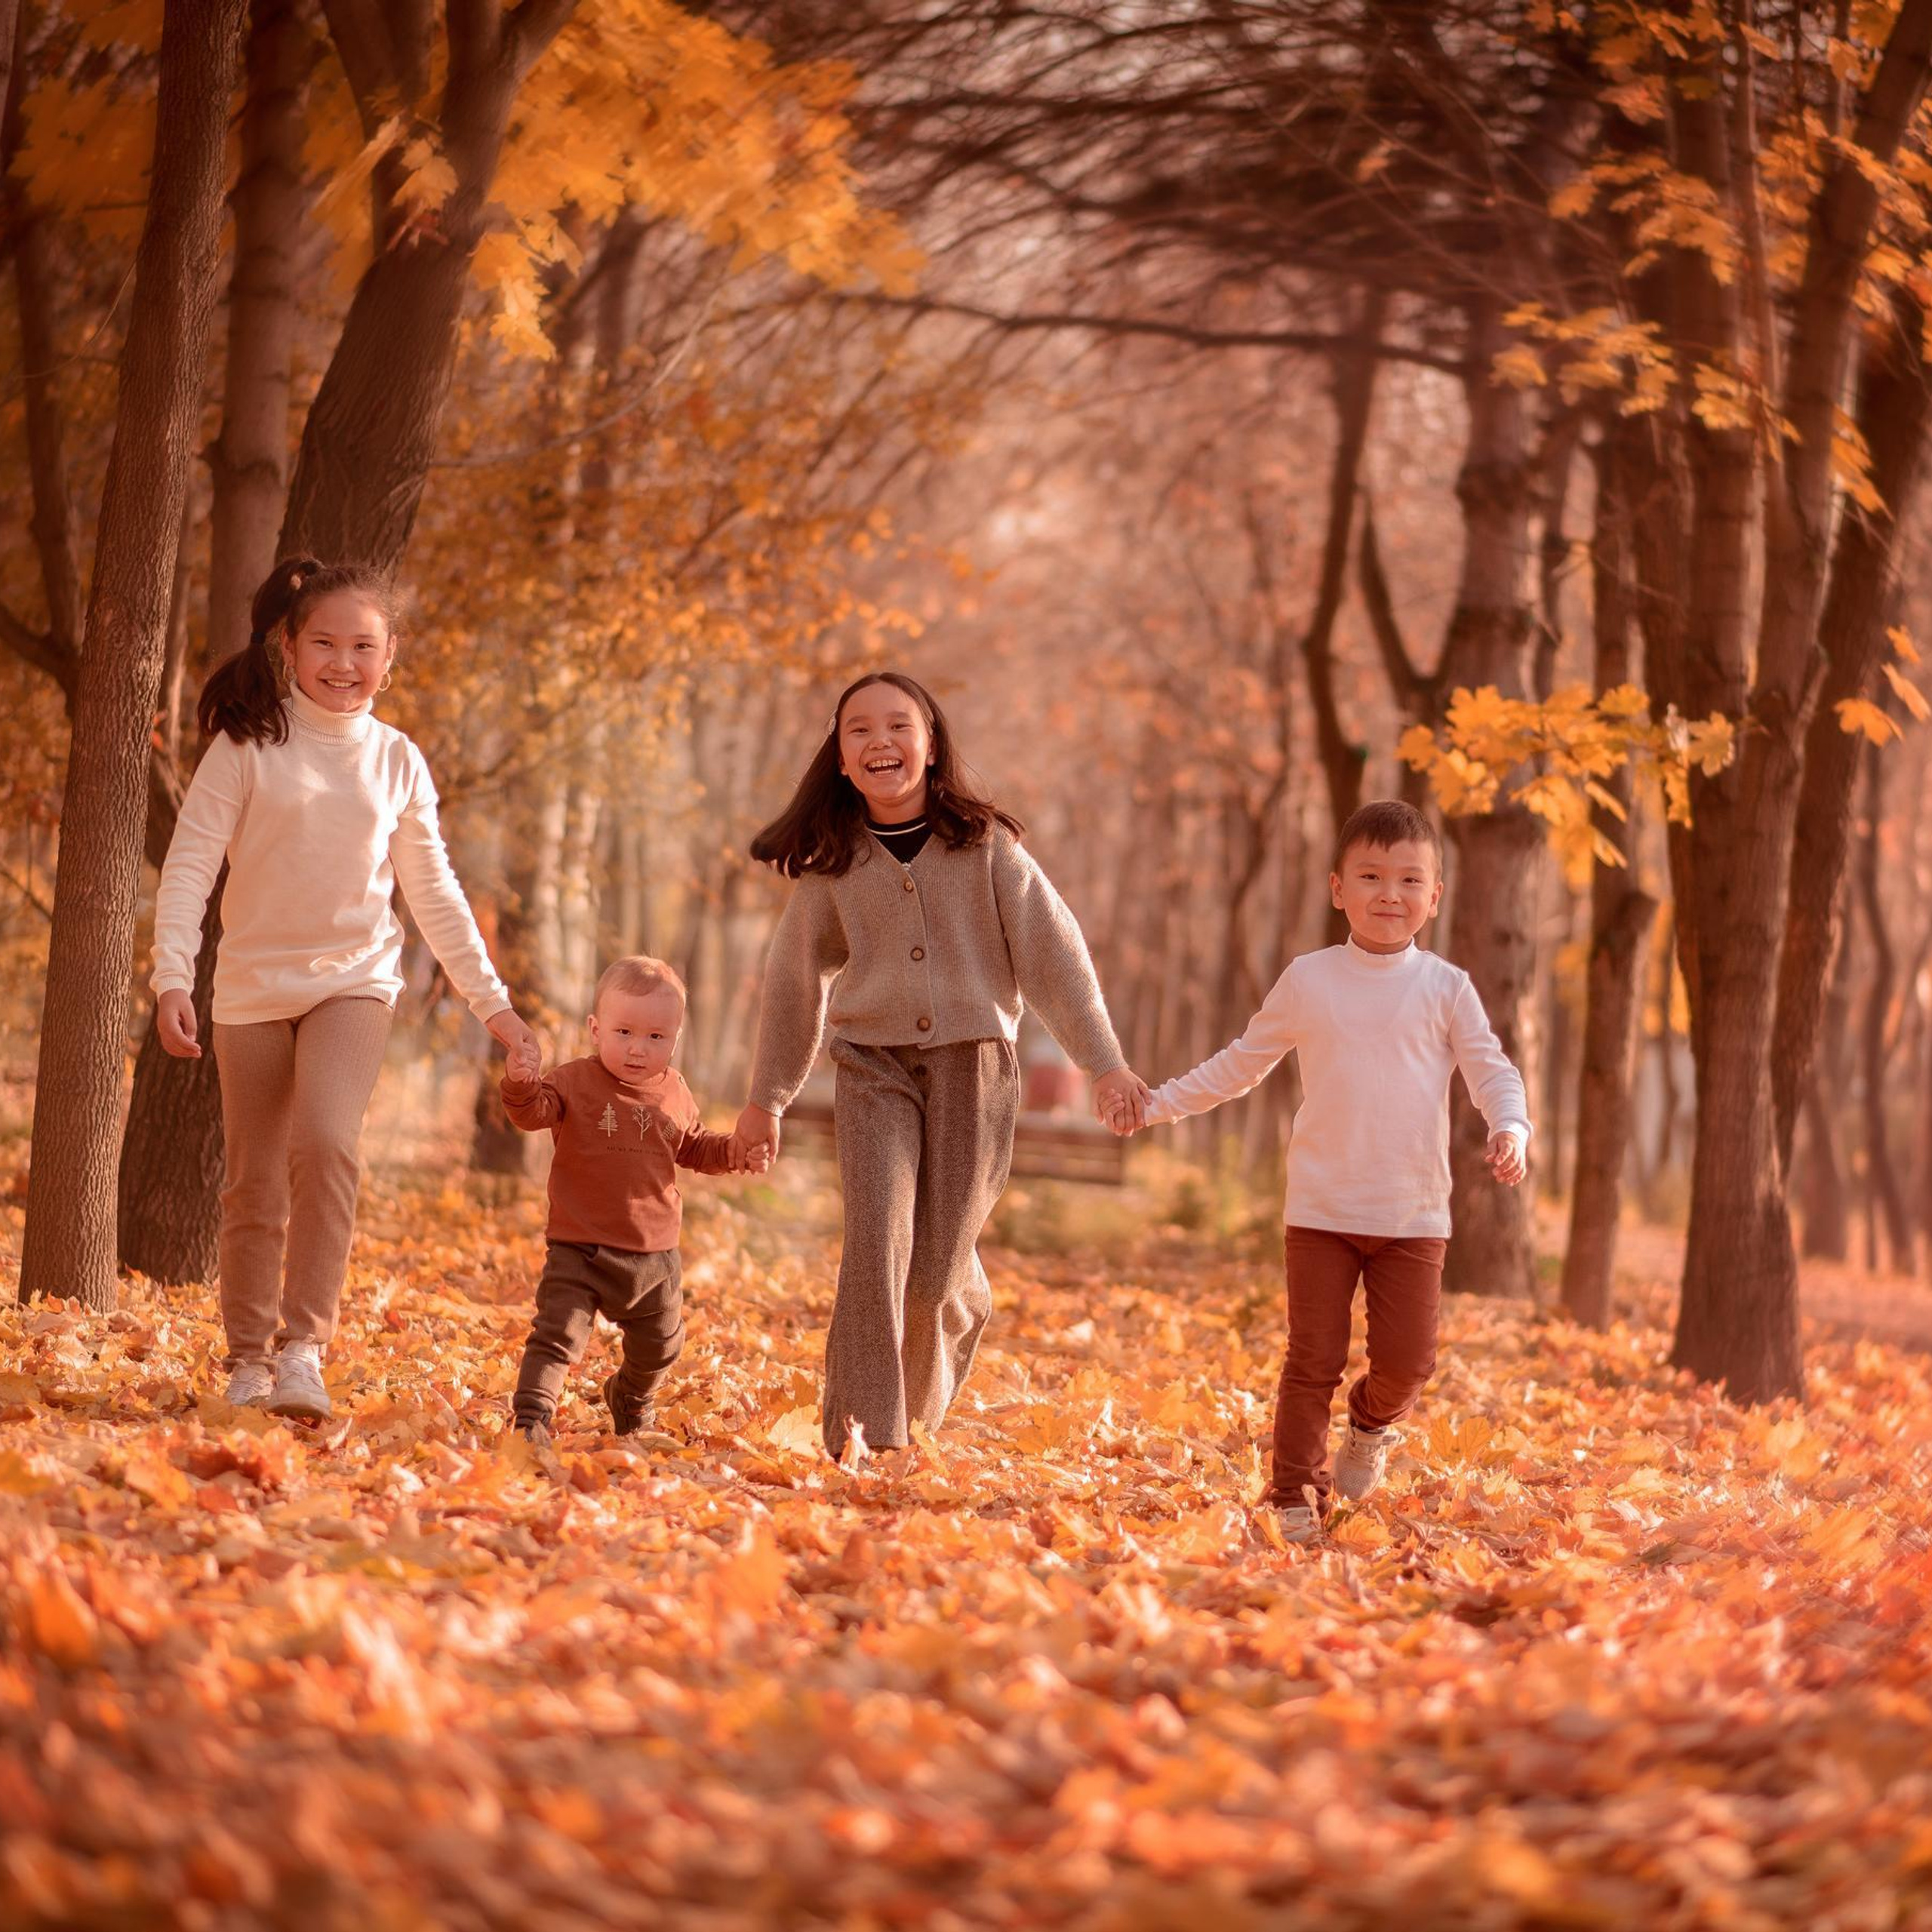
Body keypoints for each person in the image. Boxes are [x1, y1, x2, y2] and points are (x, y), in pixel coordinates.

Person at [152, 558, 536, 1421]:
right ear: (289, 647)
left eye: (362, 645)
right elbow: (189, 866)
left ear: (390, 657)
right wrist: (171, 972)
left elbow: (432, 890)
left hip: (354, 983)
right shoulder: (245, 747)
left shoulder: (397, 760)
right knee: (253, 1177)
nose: (342, 661)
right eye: (324, 641)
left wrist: (493, 1004)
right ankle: (248, 1359)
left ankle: (303, 1351)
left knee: (326, 1141)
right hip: (251, 988)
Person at [734, 671, 1149, 1463]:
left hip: (975, 1069)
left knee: (933, 1277)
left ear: (930, 747)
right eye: (859, 730)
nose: (879, 740)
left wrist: (1104, 1062)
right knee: (876, 1252)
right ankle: (865, 1445)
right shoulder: (833, 866)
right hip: (871, 1067)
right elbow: (792, 985)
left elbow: (1056, 960)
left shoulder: (987, 848)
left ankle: (945, 1332)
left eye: (898, 725)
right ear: (842, 758)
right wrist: (768, 1099)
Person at [1126, 798, 1531, 1543]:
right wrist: (1157, 1105)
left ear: (1433, 897)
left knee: (1408, 1364)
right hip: (1320, 1208)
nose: (1389, 893)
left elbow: (1491, 1070)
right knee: (1311, 1359)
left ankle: (1369, 1426)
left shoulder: (1446, 987)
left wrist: (1510, 1126)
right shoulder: (1309, 979)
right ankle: (1292, 1494)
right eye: (1371, 875)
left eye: (1409, 880)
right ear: (1336, 887)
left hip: (1412, 1215)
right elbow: (1240, 1064)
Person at [501, 955, 756, 1447]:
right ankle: (531, 1420)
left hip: (653, 1252)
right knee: (556, 1337)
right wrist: (520, 1082)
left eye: (655, 1037)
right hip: (579, 1246)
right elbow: (532, 1112)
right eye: (624, 1033)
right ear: (596, 1029)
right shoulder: (573, 1080)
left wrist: (739, 1151)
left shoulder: (675, 1093)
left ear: (675, 1039)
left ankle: (631, 1398)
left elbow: (697, 1147)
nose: (638, 1049)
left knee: (662, 1343)